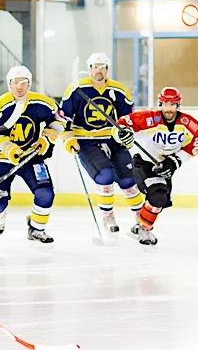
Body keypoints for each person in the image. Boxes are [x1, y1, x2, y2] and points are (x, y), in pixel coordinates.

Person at [60, 52, 144, 233]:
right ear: (89, 69)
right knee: (105, 176)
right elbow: (63, 118)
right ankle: (108, 217)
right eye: (95, 67)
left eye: (102, 67)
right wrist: (68, 138)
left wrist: (126, 133)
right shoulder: (76, 89)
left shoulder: (119, 90)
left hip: (113, 140)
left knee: (129, 179)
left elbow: (127, 119)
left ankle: (141, 219)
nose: (99, 70)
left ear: (107, 69)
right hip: (87, 141)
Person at [114, 87, 198, 245]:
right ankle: (144, 229)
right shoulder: (149, 118)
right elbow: (121, 124)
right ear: (160, 104)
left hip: (164, 166)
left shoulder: (190, 125)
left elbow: (191, 149)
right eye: (165, 104)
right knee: (157, 197)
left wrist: (174, 162)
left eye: (172, 104)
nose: (169, 108)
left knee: (161, 200)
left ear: (178, 105)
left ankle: (140, 225)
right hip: (144, 163)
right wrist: (122, 134)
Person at [0, 66, 64, 242]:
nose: (19, 87)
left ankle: (36, 229)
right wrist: (9, 149)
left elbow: (59, 120)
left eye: (23, 82)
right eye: (15, 82)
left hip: (31, 156)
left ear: (29, 84)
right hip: (2, 159)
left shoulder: (42, 103)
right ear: (9, 84)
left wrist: (47, 138)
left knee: (45, 193)